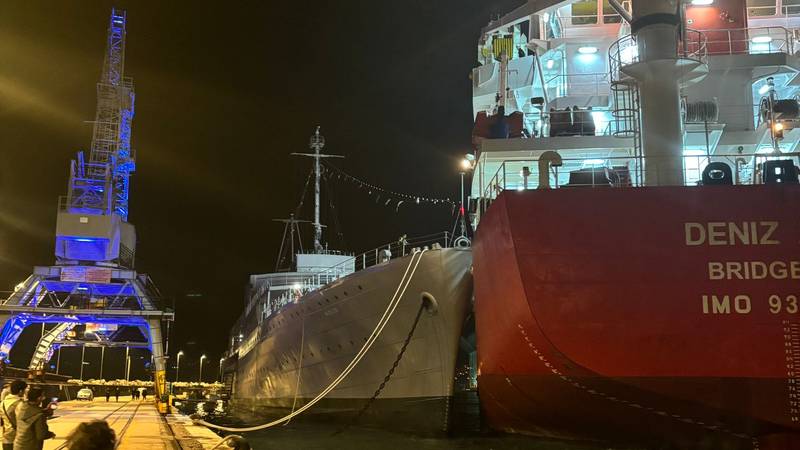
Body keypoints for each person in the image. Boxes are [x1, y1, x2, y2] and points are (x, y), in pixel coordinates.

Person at [1, 380, 25, 450]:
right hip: (18, 440)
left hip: (6, 439)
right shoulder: (21, 404)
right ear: (20, 391)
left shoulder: (2, 404)